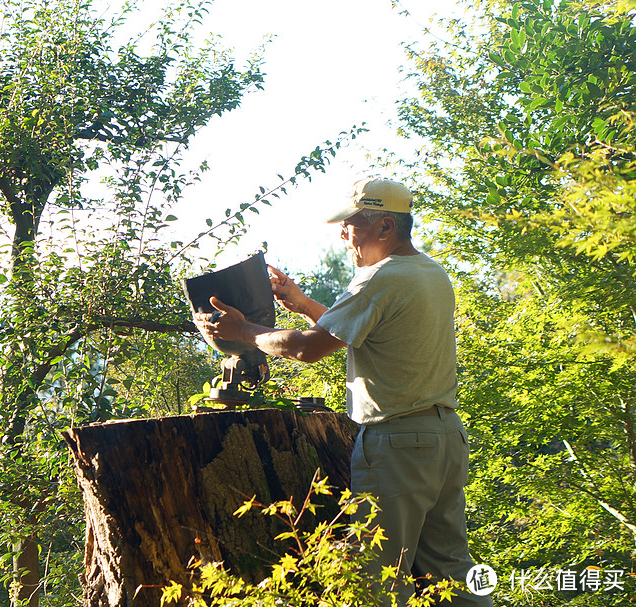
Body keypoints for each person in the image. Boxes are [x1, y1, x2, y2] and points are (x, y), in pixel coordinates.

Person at [192, 177, 491, 606]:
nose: (342, 234)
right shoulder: (428, 272)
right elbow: (359, 331)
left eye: (351, 224)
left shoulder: (379, 278)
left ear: (385, 227)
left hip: (399, 444)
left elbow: (306, 348)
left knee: (374, 582)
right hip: (442, 438)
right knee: (452, 578)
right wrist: (303, 303)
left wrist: (244, 330)